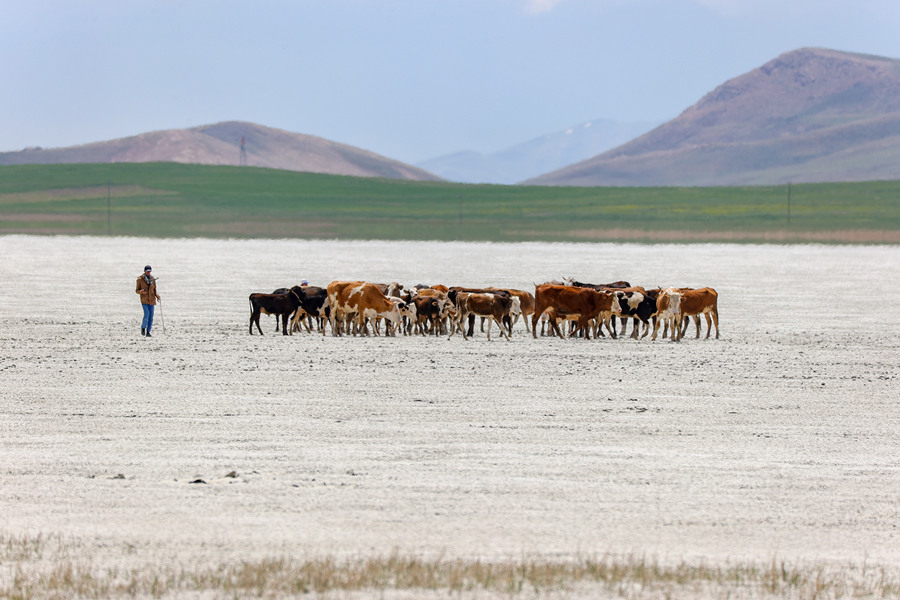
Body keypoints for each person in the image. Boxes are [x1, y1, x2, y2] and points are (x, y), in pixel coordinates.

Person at [135, 265, 160, 337]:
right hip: (144, 300)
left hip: (152, 300)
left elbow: (155, 289)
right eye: (147, 271)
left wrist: (157, 296)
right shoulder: (140, 280)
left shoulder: (153, 279)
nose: (148, 272)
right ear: (144, 271)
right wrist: (141, 291)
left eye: (149, 271)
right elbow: (136, 290)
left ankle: (148, 331)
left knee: (151, 316)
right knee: (146, 314)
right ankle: (143, 328)